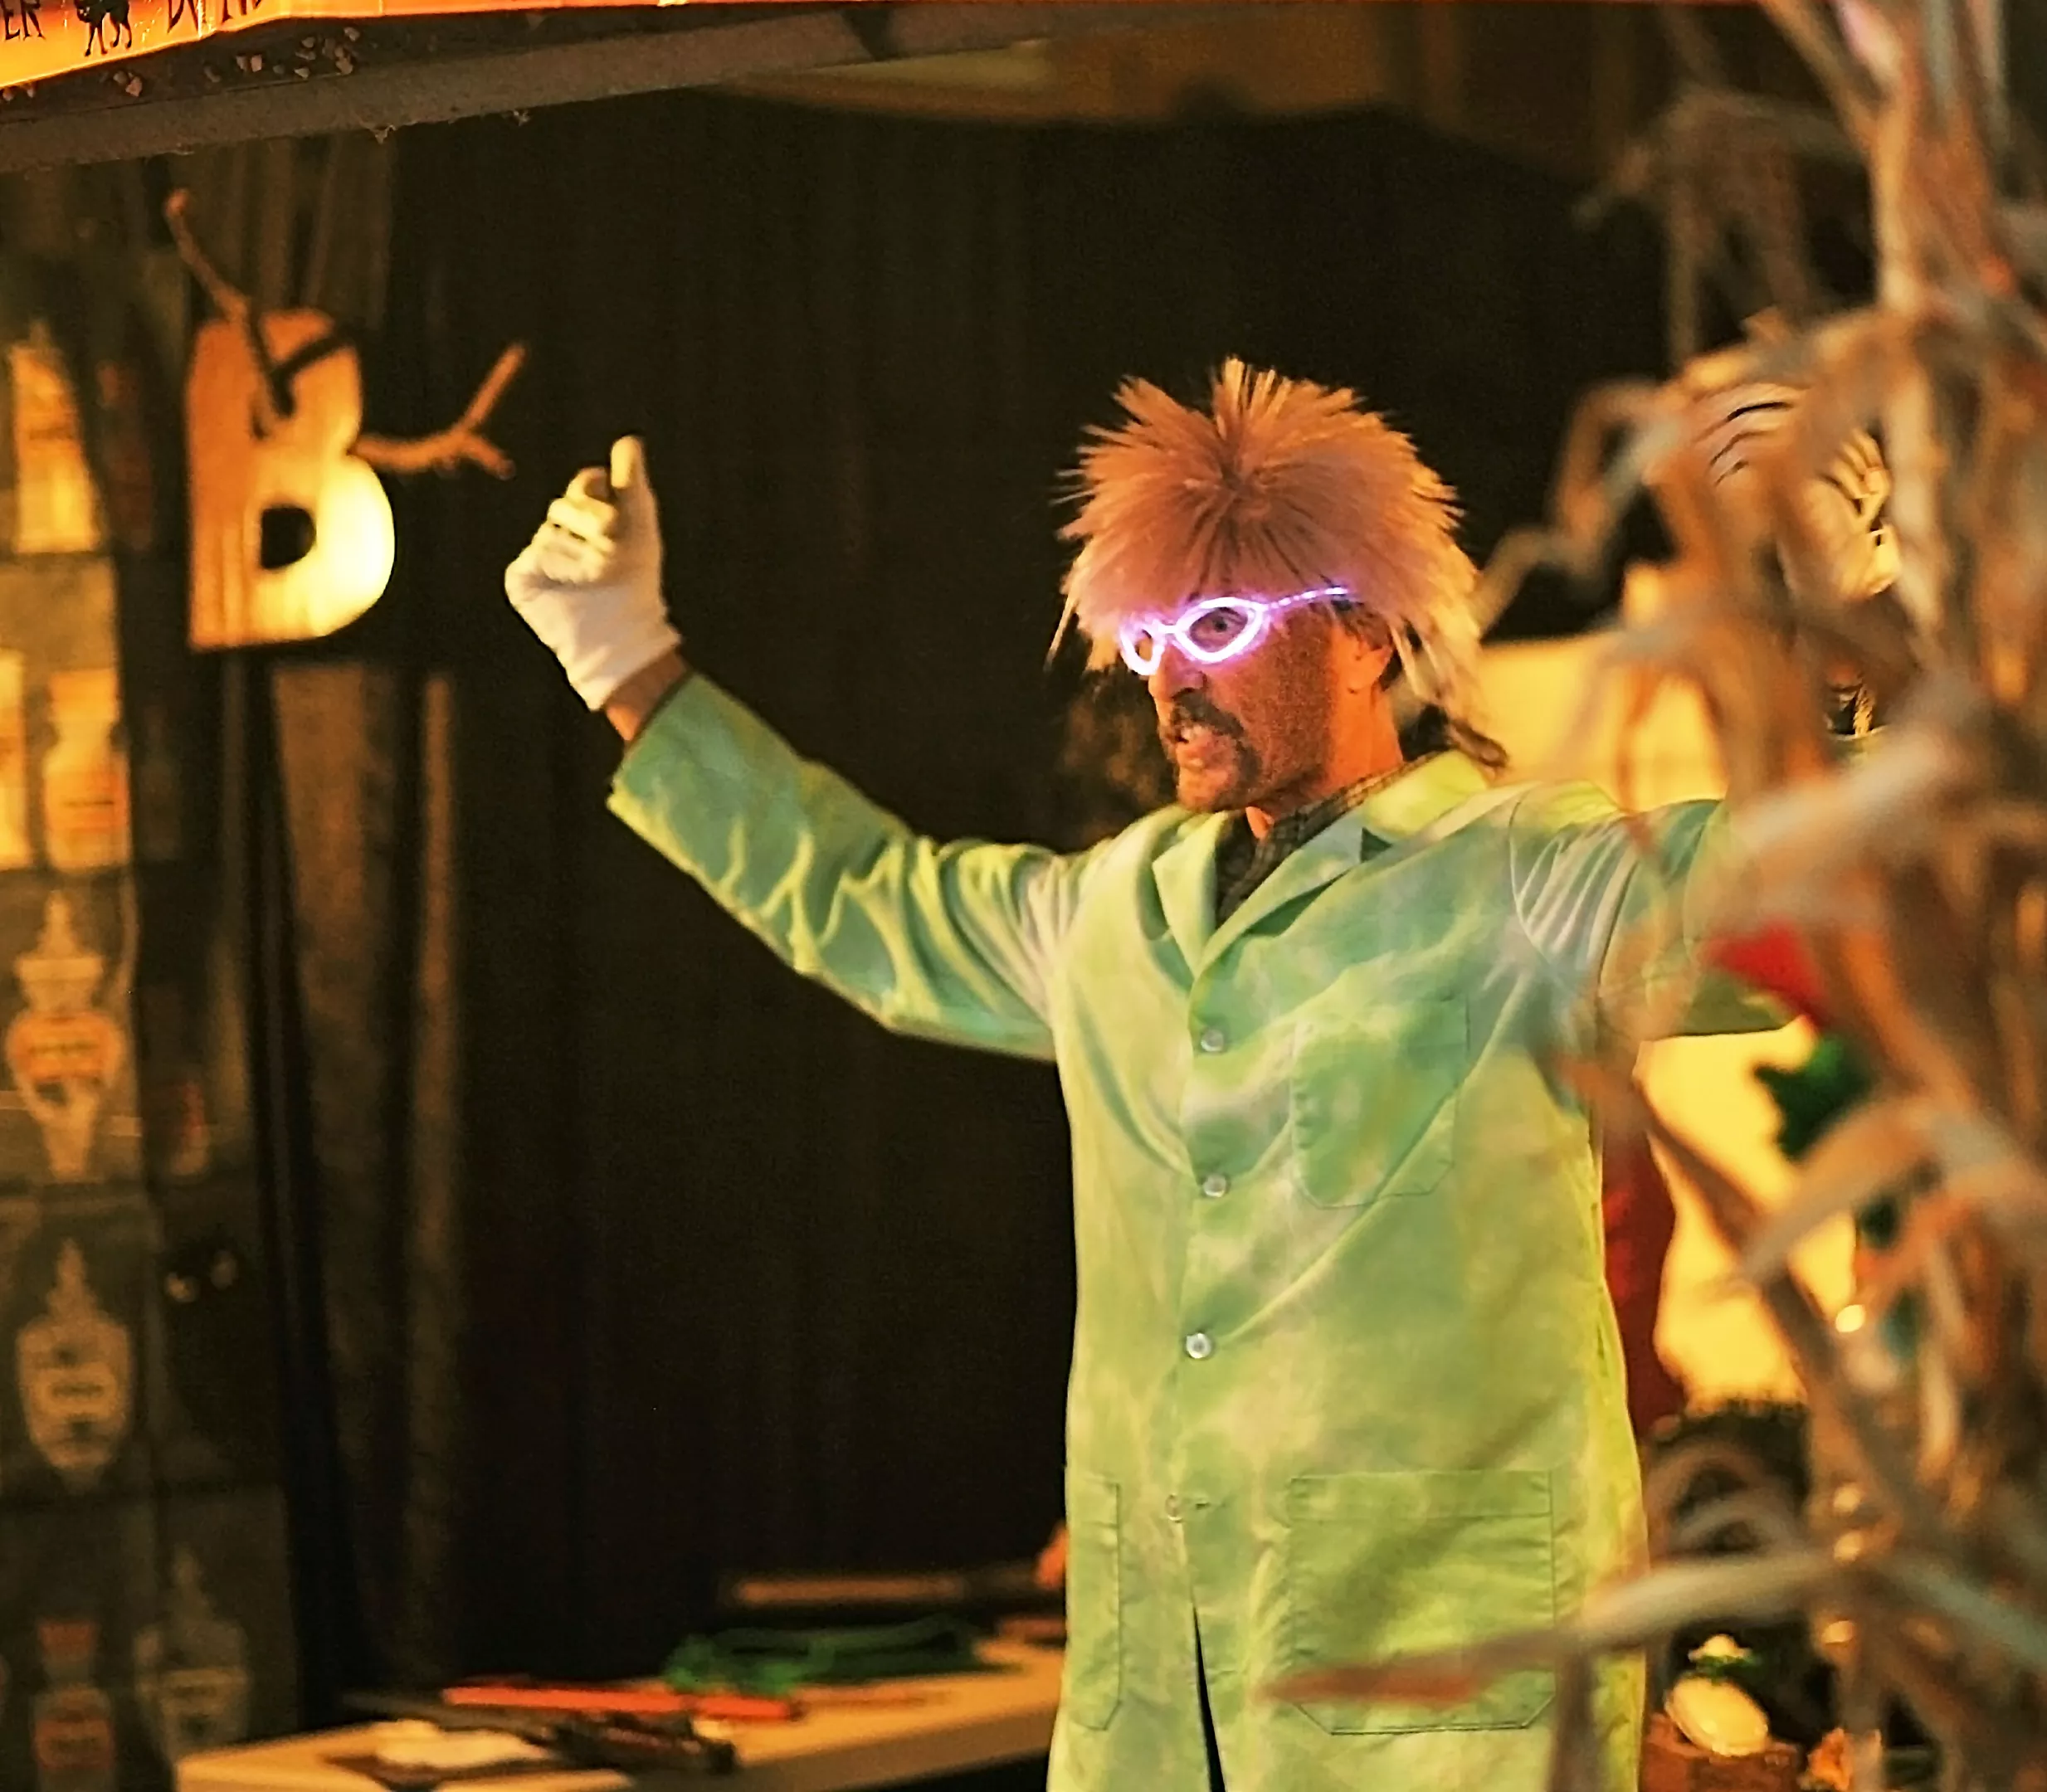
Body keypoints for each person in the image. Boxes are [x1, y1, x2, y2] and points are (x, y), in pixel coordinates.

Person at [504, 360, 1888, 1792]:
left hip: (1448, 1703)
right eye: (1146, 635)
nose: (1171, 678)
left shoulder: (1516, 883)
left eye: (1217, 625)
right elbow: (865, 898)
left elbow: (1832, 898)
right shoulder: (1114, 908)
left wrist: (1850, 629)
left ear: (1363, 635)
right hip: (1162, 1718)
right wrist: (625, 664)